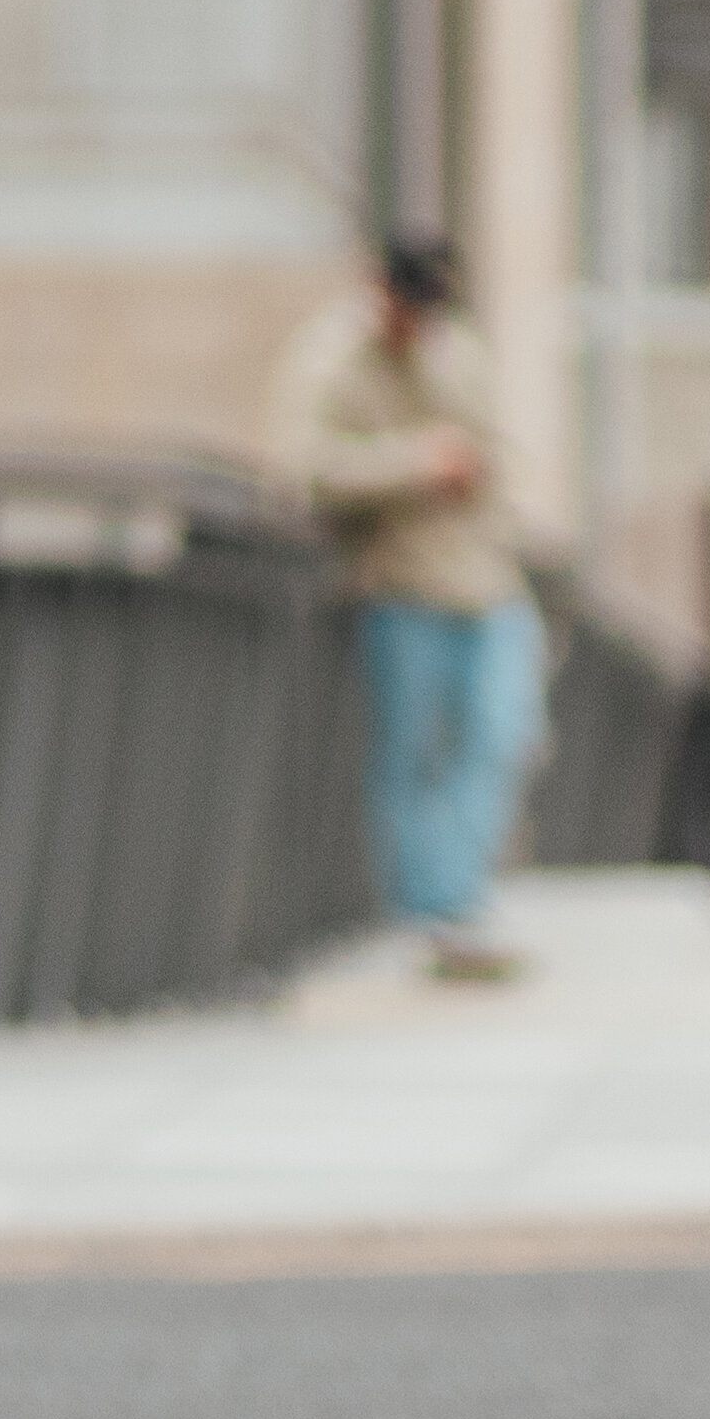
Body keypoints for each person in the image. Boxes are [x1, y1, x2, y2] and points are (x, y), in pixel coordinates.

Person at [276, 235, 544, 985]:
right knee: (412, 756)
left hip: (489, 581)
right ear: (379, 292)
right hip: (401, 585)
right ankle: (436, 912)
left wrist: (476, 472)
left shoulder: (459, 352)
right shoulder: (331, 359)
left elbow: (498, 457)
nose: (419, 327)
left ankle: (461, 899)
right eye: (408, 309)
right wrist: (416, 462)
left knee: (504, 733)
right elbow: (301, 469)